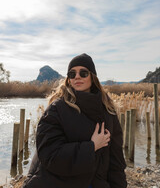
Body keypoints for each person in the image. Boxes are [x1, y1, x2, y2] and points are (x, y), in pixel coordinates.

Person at [22, 53, 127, 188]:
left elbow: (116, 160)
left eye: (83, 73)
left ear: (92, 77)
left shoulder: (108, 110)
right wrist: (92, 146)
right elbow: (50, 155)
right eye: (72, 74)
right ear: (69, 79)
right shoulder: (56, 109)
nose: (77, 76)